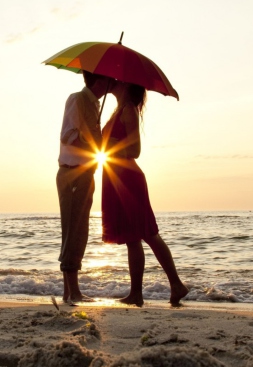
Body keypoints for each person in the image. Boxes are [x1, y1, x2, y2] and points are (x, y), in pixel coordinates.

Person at [101, 80, 189, 307]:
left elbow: (135, 150)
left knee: (148, 233)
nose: (112, 82)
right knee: (132, 238)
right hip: (116, 177)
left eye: (117, 80)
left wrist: (110, 143)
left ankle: (176, 284)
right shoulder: (118, 109)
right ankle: (136, 294)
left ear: (126, 85)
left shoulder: (128, 109)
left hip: (128, 178)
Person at [57, 70, 112, 303]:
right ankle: (73, 292)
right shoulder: (77, 99)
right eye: (109, 79)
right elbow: (68, 135)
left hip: (85, 173)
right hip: (72, 173)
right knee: (73, 230)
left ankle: (69, 292)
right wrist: (92, 144)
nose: (112, 82)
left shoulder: (94, 105)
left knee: (80, 231)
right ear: (99, 80)